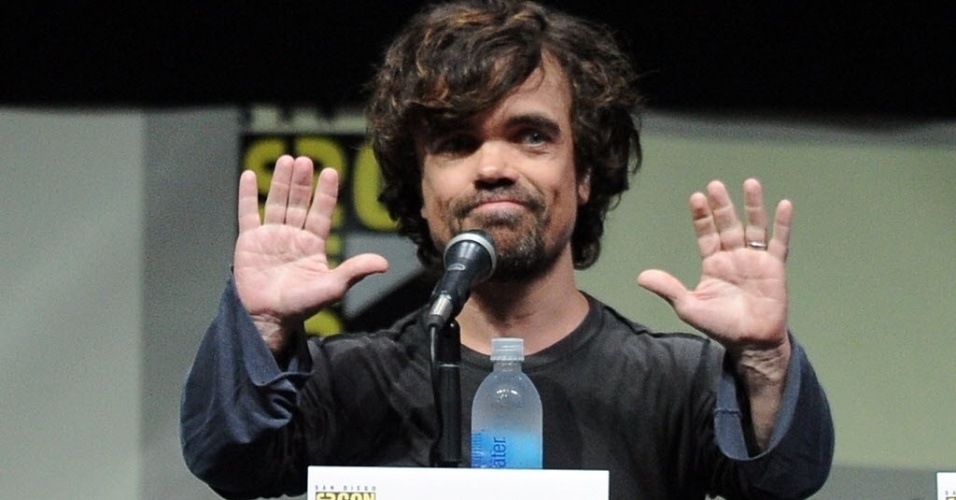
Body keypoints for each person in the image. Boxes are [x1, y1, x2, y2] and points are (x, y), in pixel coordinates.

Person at [180, 1, 834, 499]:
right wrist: (263, 325)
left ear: (583, 175)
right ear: (420, 185)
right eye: (457, 143)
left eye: (530, 135)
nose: (492, 166)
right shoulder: (347, 381)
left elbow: (786, 478)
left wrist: (764, 361)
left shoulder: (674, 381)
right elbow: (228, 460)